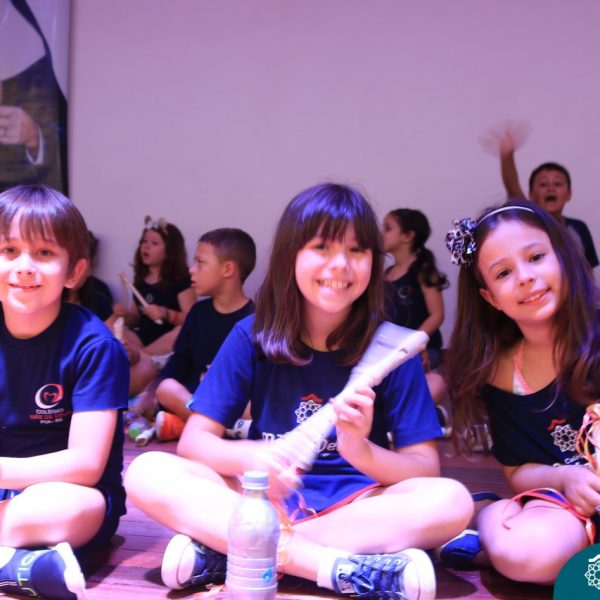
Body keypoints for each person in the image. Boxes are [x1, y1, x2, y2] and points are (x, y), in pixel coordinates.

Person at [124, 182, 474, 599]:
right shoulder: (251, 336)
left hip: (359, 504)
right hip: (262, 498)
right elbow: (195, 443)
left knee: (451, 501)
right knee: (147, 472)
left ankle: (235, 553)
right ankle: (334, 568)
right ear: (291, 255)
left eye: (357, 250)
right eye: (322, 247)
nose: (340, 265)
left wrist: (359, 449)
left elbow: (424, 469)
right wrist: (258, 457)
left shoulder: (393, 347)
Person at [440, 199, 600, 585]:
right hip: (562, 504)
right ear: (491, 297)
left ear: (563, 257)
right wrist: (566, 478)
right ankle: (491, 518)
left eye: (536, 257)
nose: (526, 277)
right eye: (504, 272)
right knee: (527, 555)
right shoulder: (500, 373)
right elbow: (518, 471)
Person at [0, 184, 129, 599]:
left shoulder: (94, 346)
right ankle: (19, 565)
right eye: (9, 250)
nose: (24, 267)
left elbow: (85, 464)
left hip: (70, 494)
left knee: (50, 507)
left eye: (44, 253)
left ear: (73, 272)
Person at [136, 227, 256, 442]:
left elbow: (260, 374)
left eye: (200, 263)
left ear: (227, 269)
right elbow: (178, 362)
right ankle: (226, 429)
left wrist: (221, 377)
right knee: (166, 388)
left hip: (234, 400)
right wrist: (151, 393)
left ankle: (188, 425)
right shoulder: (198, 313)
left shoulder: (255, 319)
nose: (192, 270)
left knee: (255, 405)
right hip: (196, 398)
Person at [480, 121, 599, 269]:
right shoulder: (530, 223)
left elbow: (589, 270)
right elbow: (512, 186)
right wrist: (507, 157)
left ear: (568, 194)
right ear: (531, 195)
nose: (550, 188)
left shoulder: (579, 228)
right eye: (543, 184)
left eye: (558, 184)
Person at [114, 215, 197, 395]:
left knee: (181, 331)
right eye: (144, 241)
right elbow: (136, 317)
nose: (146, 246)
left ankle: (145, 359)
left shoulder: (181, 280)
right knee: (114, 330)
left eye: (154, 243)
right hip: (143, 340)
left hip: (166, 342)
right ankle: (147, 359)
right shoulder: (140, 280)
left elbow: (192, 319)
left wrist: (166, 314)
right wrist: (124, 316)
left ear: (170, 251)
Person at [381, 208, 449, 406]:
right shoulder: (385, 275)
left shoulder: (423, 269)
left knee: (416, 377)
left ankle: (428, 412)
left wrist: (412, 345)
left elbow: (437, 315)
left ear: (408, 236)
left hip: (423, 349)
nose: (381, 233)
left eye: (387, 228)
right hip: (391, 351)